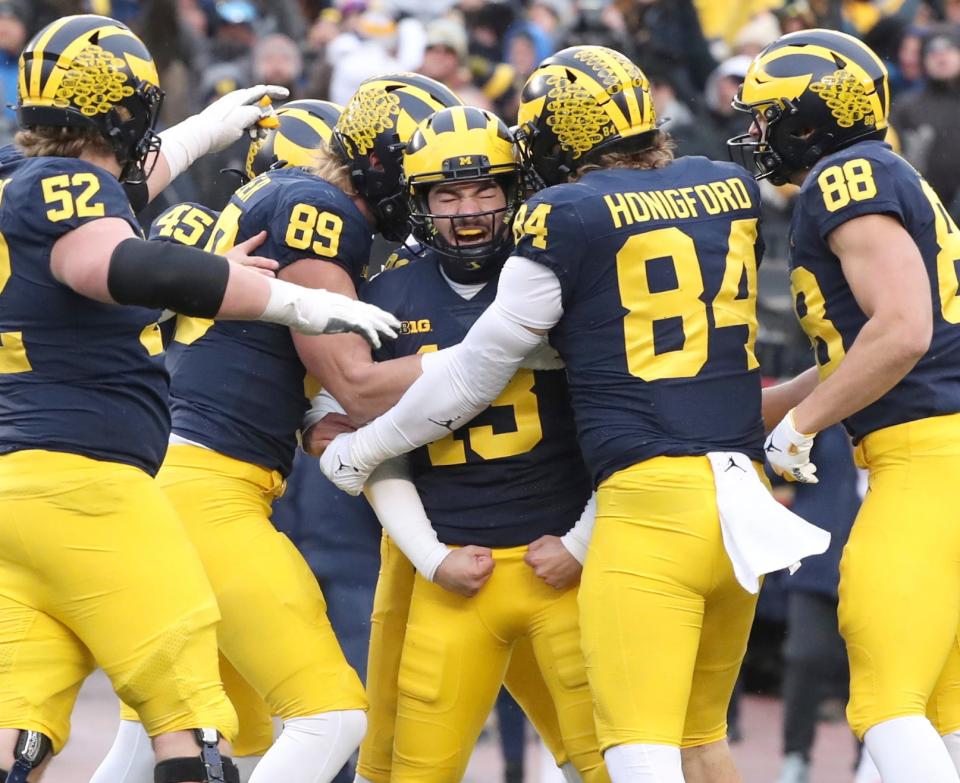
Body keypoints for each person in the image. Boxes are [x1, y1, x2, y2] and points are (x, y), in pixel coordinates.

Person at [318, 45, 828, 783]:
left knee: (634, 748)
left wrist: (363, 449)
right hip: (739, 495)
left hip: (648, 507)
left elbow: (469, 374)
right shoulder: (727, 187)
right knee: (700, 739)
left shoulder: (566, 217)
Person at [0, 14, 397, 783]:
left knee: (23, 735)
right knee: (194, 727)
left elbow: (116, 211)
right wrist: (292, 304)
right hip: (90, 482)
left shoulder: (20, 186)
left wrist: (209, 128)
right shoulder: (68, 191)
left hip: (21, 482)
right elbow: (112, 263)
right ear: (124, 110)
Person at [90, 82, 459, 783]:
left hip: (172, 476)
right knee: (329, 712)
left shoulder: (285, 199)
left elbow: (323, 405)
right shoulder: (315, 207)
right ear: (380, 166)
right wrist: (498, 349)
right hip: (209, 490)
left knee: (165, 737)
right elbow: (355, 380)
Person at [731, 27, 960, 783]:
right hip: (939, 451)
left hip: (927, 460)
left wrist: (805, 423)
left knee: (886, 698)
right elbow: (852, 356)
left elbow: (902, 330)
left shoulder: (846, 176)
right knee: (945, 709)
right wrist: (755, 414)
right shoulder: (881, 173)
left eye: (767, 116)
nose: (757, 133)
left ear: (809, 117)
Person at [355, 105, 607, 783]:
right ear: (420, 202)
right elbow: (369, 446)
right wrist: (432, 559)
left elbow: (620, 423)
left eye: (486, 188)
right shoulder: (385, 298)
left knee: (614, 762)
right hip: (457, 577)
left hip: (561, 568)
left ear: (514, 190)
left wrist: (581, 541)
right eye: (448, 193)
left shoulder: (557, 275)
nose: (469, 210)